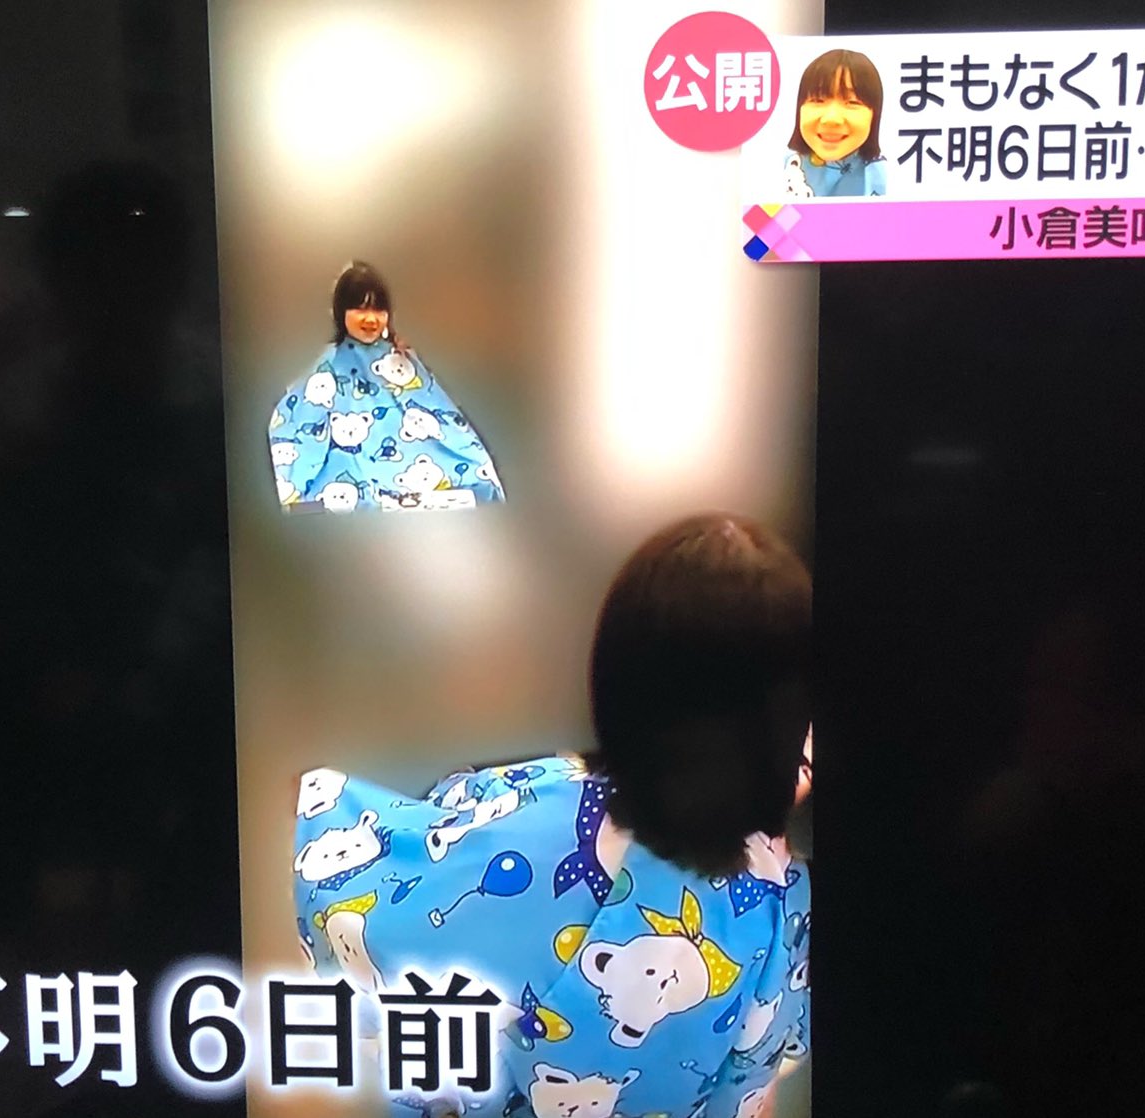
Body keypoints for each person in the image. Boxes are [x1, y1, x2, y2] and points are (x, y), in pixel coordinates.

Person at [291, 514, 813, 1117]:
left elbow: (365, 909)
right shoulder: (783, 911)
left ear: (616, 677)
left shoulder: (533, 815)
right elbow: (759, 1081)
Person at [270, 262, 505, 514]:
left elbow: (438, 414)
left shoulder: (404, 358)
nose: (371, 319)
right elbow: (301, 425)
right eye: (361, 309)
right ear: (341, 311)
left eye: (378, 309)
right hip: (352, 463)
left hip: (413, 456)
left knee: (480, 476)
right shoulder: (326, 366)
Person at [783, 49, 887, 199]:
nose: (831, 119)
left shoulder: (888, 178)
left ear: (875, 114)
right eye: (817, 100)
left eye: (852, 102)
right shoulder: (773, 169)